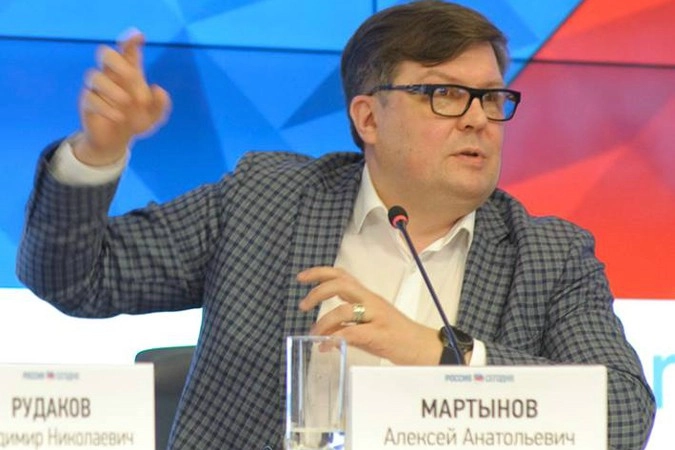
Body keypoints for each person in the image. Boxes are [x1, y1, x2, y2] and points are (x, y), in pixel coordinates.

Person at [17, 1, 655, 448]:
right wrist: (98, 154)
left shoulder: (550, 257)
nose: (477, 119)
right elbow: (76, 278)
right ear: (368, 118)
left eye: (491, 97)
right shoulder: (266, 200)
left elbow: (625, 414)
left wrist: (435, 353)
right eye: (444, 94)